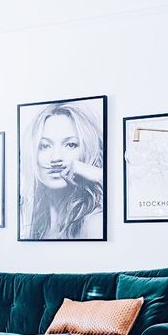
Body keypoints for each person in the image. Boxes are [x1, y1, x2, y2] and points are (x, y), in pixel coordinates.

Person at [20, 102, 104, 239]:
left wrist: (100, 176)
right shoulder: (31, 224)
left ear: (87, 150)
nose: (56, 157)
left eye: (70, 145)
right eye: (45, 146)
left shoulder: (95, 223)